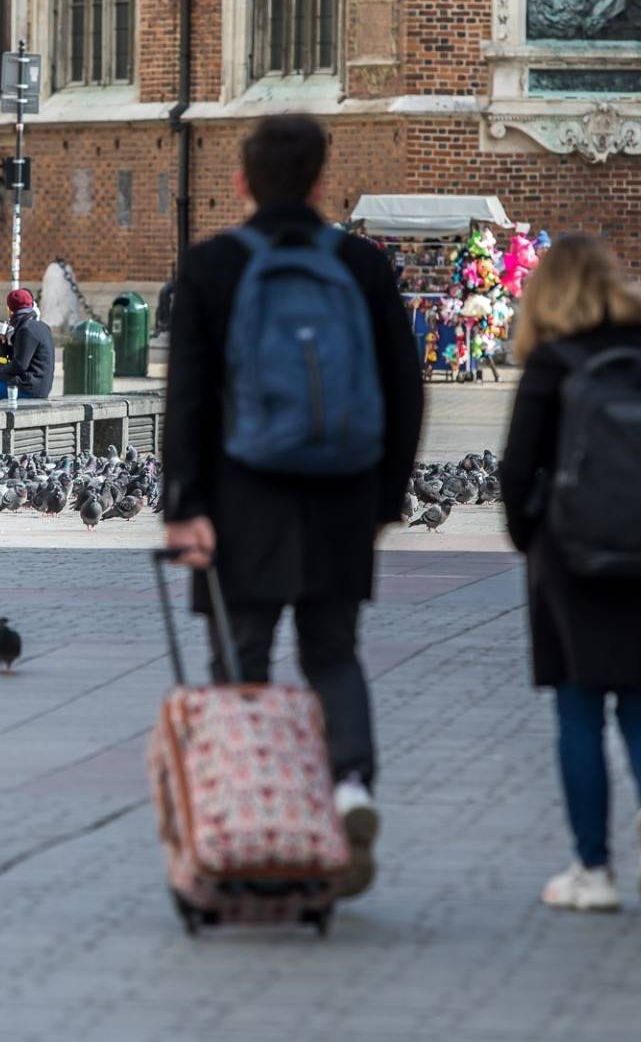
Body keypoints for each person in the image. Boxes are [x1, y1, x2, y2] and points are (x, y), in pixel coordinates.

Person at [163, 114, 424, 900]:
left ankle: (251, 827)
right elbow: (403, 389)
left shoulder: (212, 267)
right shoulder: (362, 264)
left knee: (240, 669)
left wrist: (185, 504)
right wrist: (385, 496)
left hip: (241, 499)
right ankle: (350, 788)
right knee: (332, 651)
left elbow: (189, 403)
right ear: (320, 181)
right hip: (342, 493)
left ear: (242, 181)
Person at [498, 233, 641, 914]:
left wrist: (530, 539)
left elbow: (515, 471)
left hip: (573, 554)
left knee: (579, 707)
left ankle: (592, 868)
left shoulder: (553, 360)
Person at [0, 289, 55, 402]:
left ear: (10, 309)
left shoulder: (26, 330)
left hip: (28, 387)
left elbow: (19, 366)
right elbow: (10, 359)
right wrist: (3, 341)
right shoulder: (41, 326)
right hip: (37, 385)